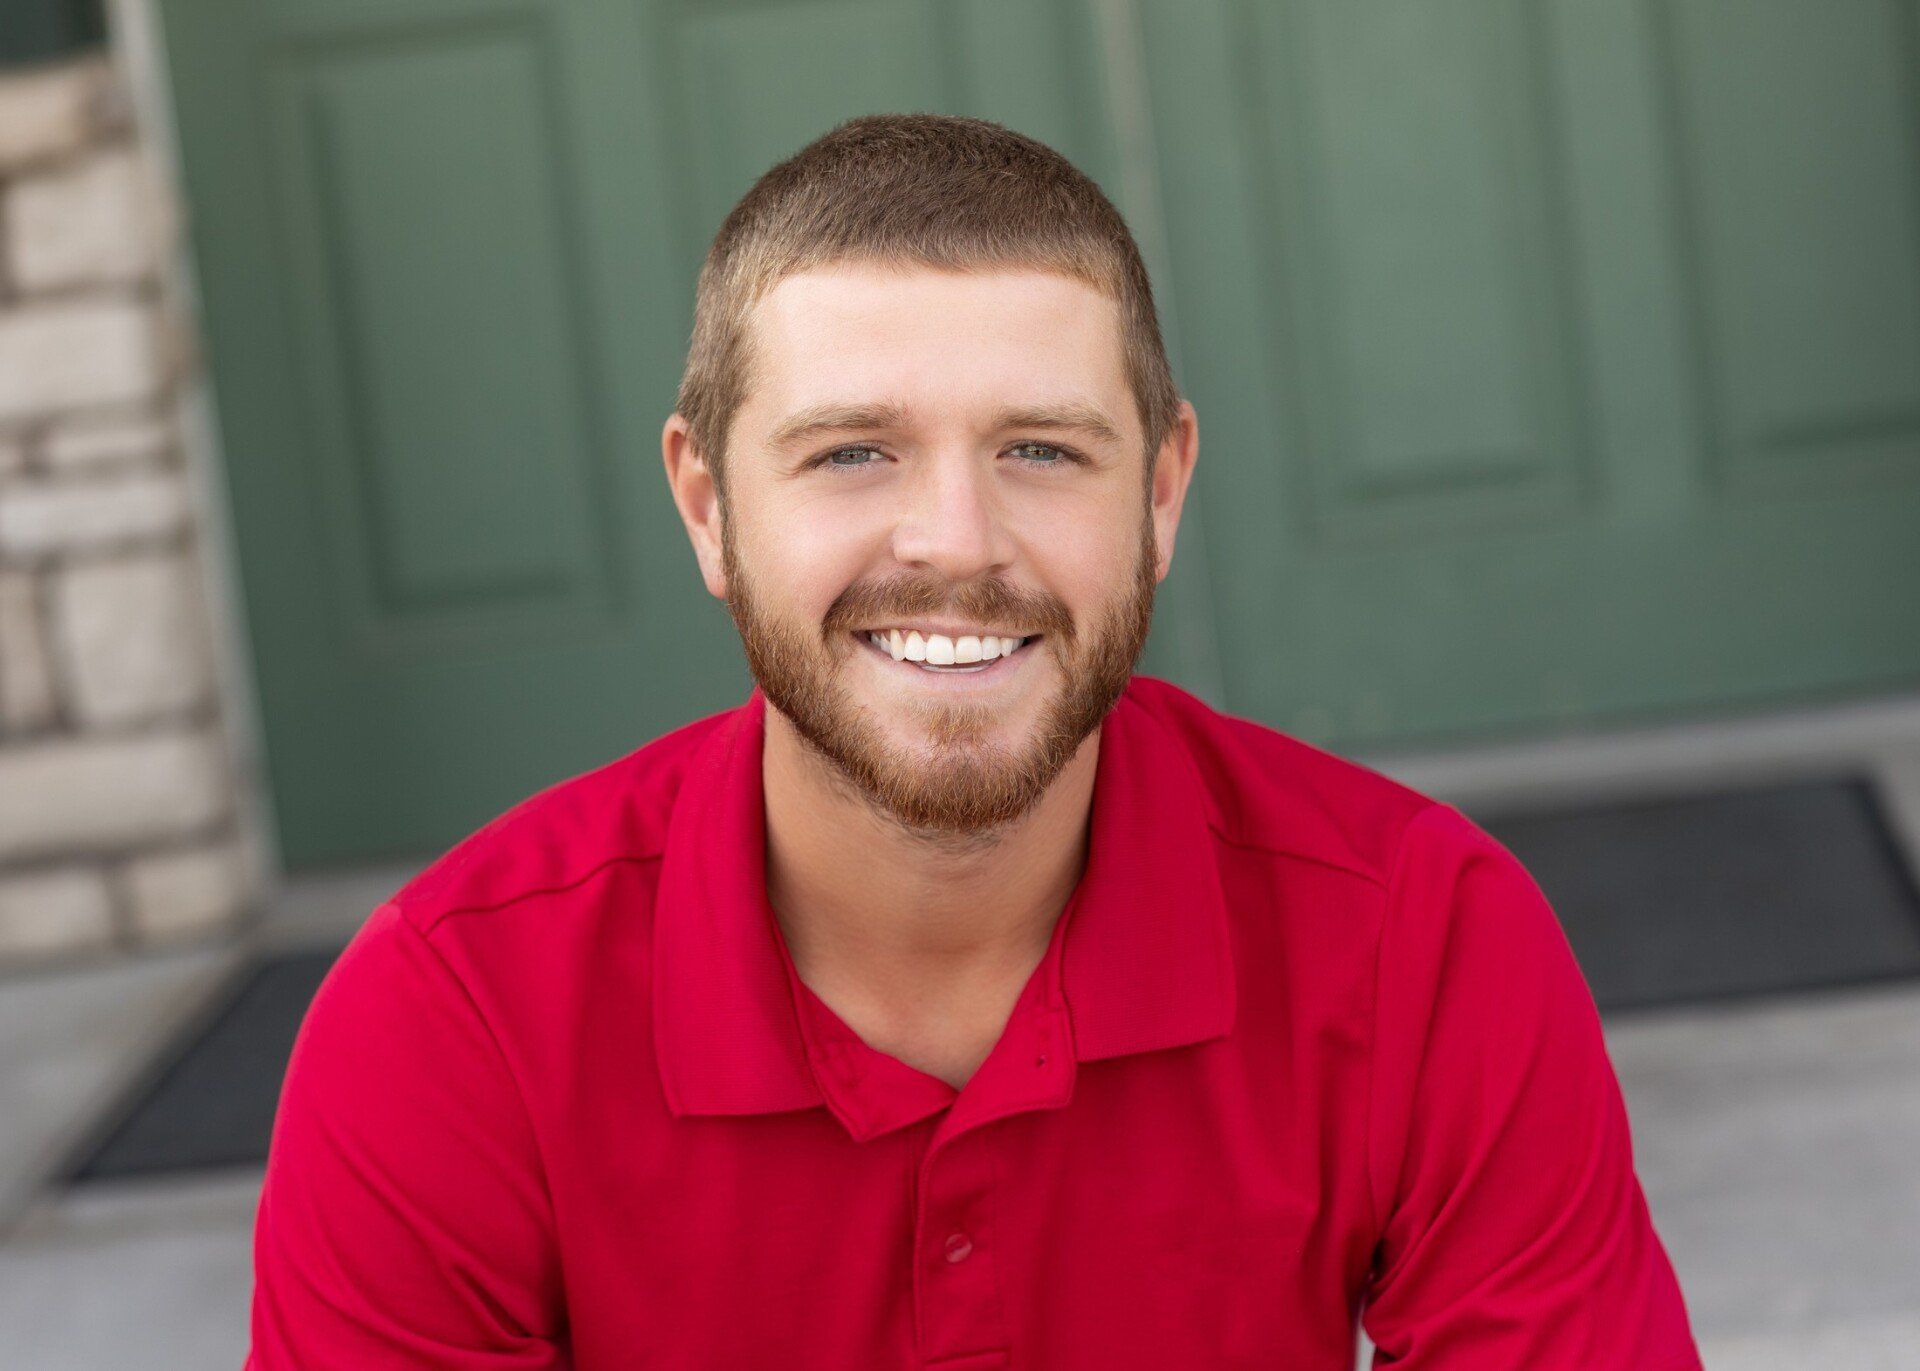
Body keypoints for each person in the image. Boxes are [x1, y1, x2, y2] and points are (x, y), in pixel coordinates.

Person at [244, 113, 1701, 1369]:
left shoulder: (1423, 942)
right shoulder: (452, 1022)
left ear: (1162, 493)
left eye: (1041, 451)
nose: (956, 541)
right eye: (851, 452)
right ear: (707, 507)